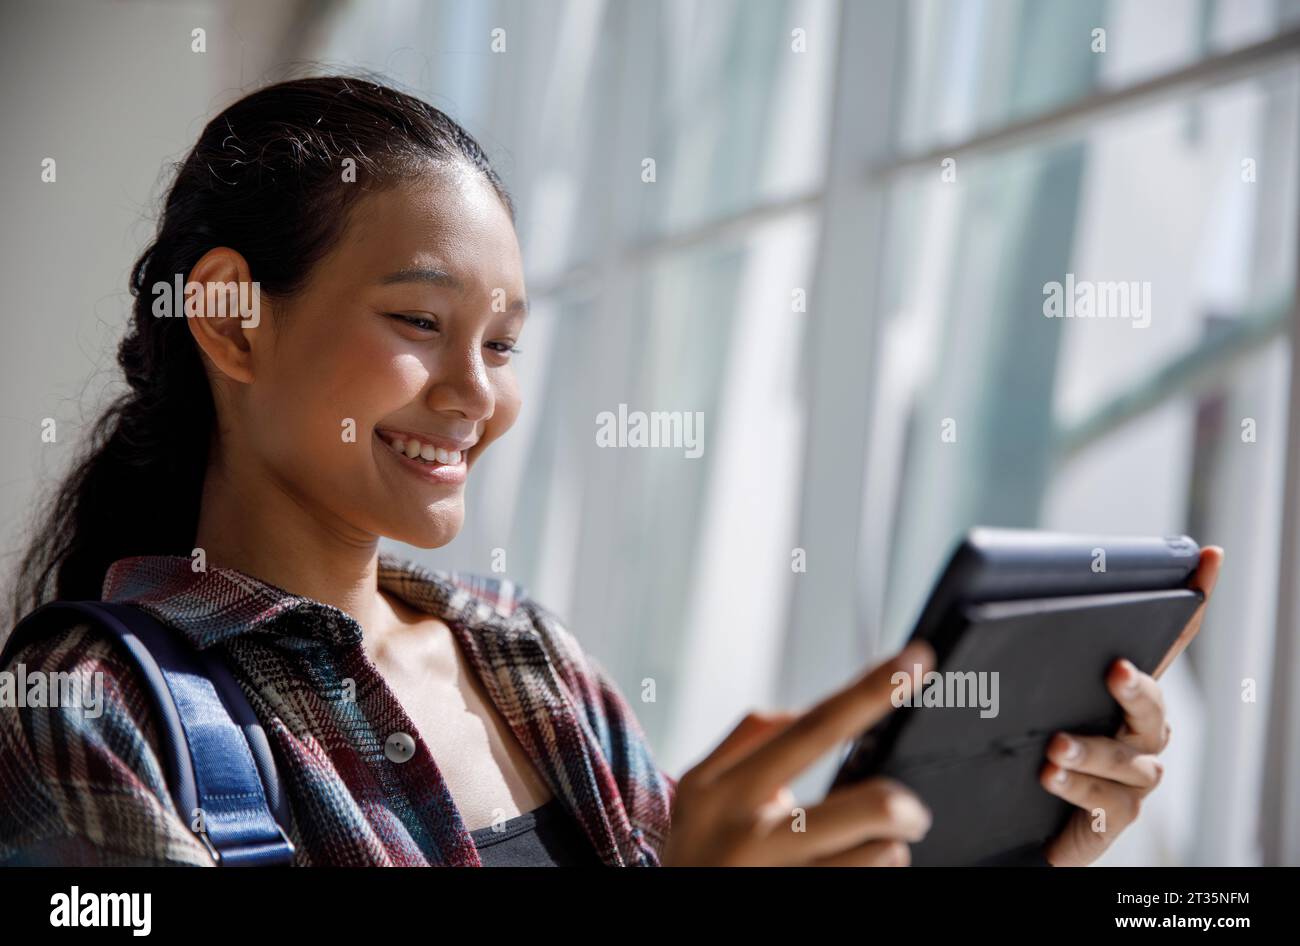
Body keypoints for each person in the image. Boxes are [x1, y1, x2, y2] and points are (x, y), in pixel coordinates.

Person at [0, 76, 1222, 867]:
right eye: (419, 323)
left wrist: (1007, 844)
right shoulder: (85, 713)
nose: (478, 394)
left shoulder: (532, 660)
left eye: (503, 342)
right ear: (229, 319)